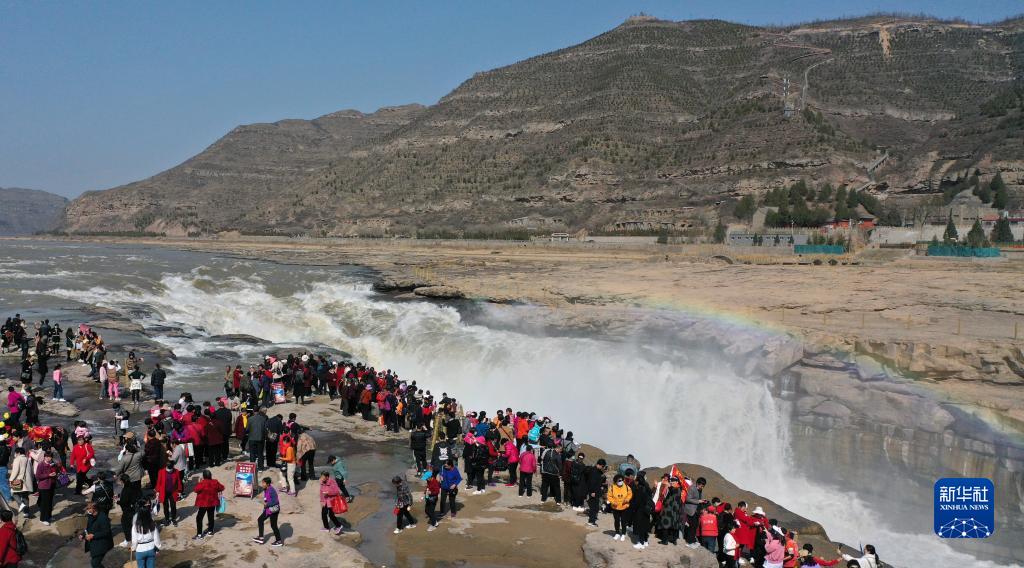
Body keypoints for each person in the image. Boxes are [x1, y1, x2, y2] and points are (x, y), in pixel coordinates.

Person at [193, 470, 225, 539]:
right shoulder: (215, 482)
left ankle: (199, 534)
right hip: (212, 503)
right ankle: (210, 531)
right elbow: (222, 487)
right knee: (210, 516)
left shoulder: (202, 483)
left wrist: (199, 482)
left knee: (199, 518)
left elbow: (196, 490)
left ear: (204, 476)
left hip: (203, 504)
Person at [252, 477, 283, 546]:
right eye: (262, 482)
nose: (262, 484)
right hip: (268, 510)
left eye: (263, 483)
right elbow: (267, 499)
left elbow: (276, 501)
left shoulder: (271, 490)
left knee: (273, 525)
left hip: (273, 510)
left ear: (268, 484)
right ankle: (261, 538)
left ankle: (279, 541)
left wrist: (267, 504)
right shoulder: (266, 489)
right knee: (260, 520)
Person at [83, 502, 114, 568]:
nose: (87, 510)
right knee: (95, 563)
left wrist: (93, 536)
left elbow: (106, 532)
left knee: (95, 563)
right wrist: (83, 535)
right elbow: (89, 528)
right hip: (95, 545)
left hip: (102, 545)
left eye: (88, 509)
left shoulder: (103, 518)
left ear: (94, 509)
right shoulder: (91, 516)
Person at [131, 502, 161, 568]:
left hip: (140, 550)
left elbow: (134, 540)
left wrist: (133, 548)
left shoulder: (135, 526)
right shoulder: (152, 524)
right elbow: (156, 538)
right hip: (151, 549)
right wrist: (158, 547)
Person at [116, 473, 142, 548]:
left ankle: (128, 540)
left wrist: (117, 501)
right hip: (135, 509)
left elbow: (124, 502)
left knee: (126, 525)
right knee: (134, 525)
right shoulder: (133, 486)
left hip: (128, 511)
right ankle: (136, 539)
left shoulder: (126, 490)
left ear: (122, 481)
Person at [606, 473, 632, 541]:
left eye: (621, 480)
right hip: (615, 507)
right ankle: (617, 533)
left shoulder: (626, 487)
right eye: (619, 480)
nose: (620, 482)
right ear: (615, 481)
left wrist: (627, 500)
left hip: (624, 507)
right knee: (616, 521)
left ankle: (623, 534)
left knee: (623, 521)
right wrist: (613, 502)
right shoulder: (612, 487)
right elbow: (609, 496)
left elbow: (630, 494)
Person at [630, 470, 653, 549]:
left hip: (640, 510)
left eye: (636, 480)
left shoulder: (639, 489)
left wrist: (632, 507)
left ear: (638, 481)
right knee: (645, 526)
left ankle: (641, 543)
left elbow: (637, 501)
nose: (635, 482)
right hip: (647, 510)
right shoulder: (647, 486)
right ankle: (646, 541)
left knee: (640, 527)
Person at [34, 451, 58, 525]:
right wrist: (48, 475)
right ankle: (43, 519)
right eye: (47, 457)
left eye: (50, 457)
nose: (48, 458)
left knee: (50, 502)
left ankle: (49, 516)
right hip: (44, 486)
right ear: (44, 457)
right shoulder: (41, 464)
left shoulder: (52, 464)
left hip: (52, 485)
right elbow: (38, 476)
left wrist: (55, 473)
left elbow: (55, 471)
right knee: (45, 503)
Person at [155, 463, 181, 527]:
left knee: (173, 506)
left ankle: (173, 519)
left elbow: (178, 481)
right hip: (164, 492)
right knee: (165, 506)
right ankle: (167, 519)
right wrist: (157, 491)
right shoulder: (161, 472)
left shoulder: (176, 471)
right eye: (168, 469)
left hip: (173, 492)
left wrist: (179, 491)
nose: (169, 470)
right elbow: (159, 482)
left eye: (171, 469)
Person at [584, 458, 607, 526]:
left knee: (595, 506)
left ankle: (593, 518)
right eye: (602, 466)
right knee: (594, 507)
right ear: (599, 465)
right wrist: (593, 491)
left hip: (596, 491)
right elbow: (592, 482)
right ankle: (591, 521)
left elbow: (599, 481)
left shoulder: (598, 471)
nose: (603, 468)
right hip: (594, 492)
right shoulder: (594, 471)